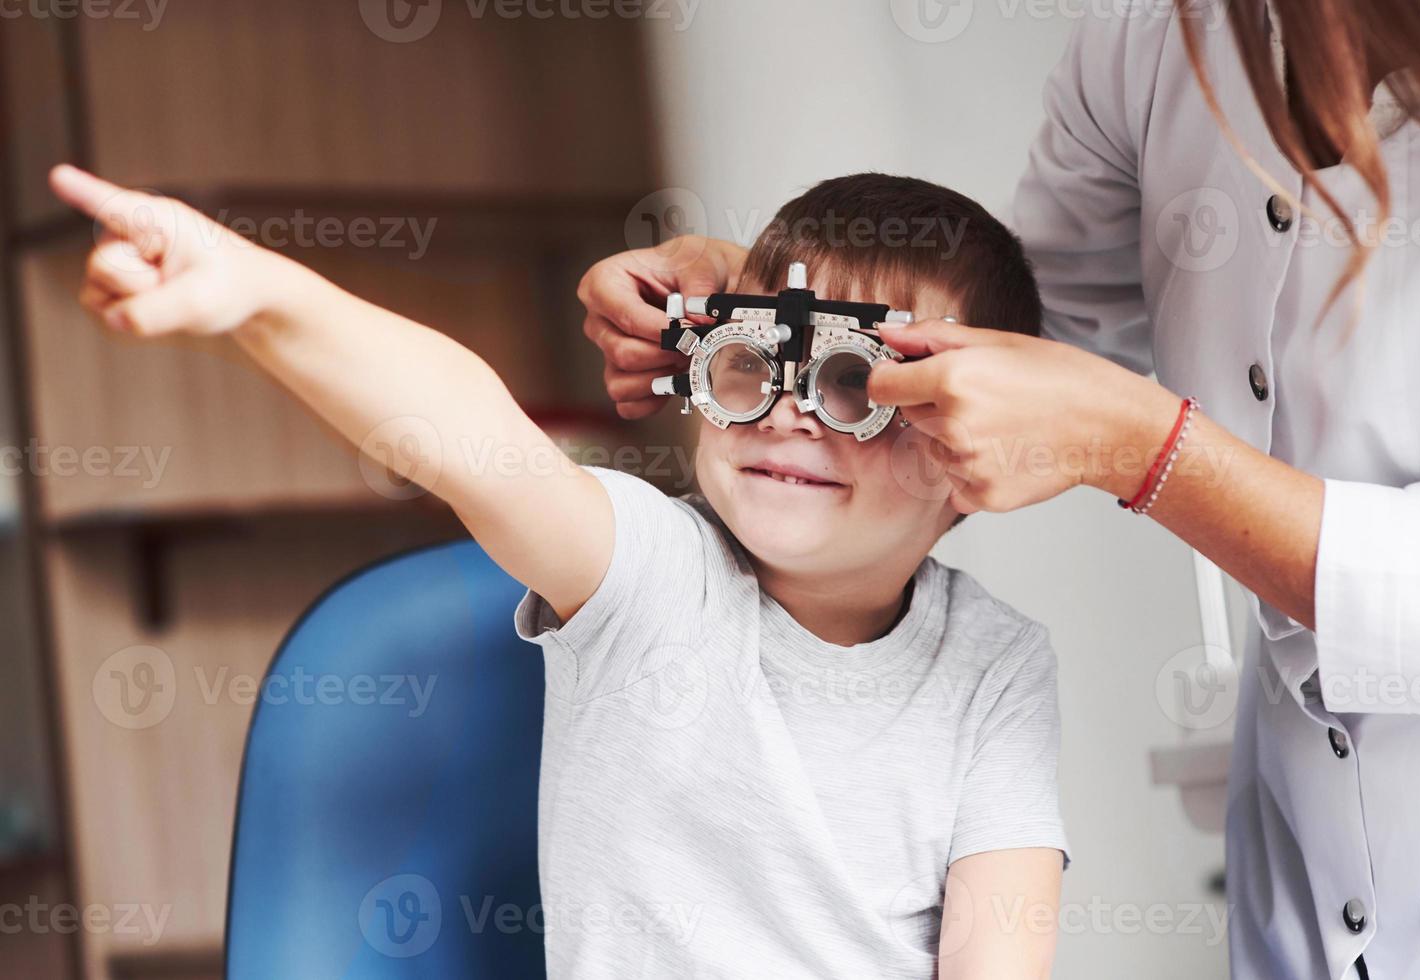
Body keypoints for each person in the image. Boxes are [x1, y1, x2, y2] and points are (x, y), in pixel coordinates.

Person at [580, 2, 1420, 977]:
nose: (793, 417)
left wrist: (1141, 448)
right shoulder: (1151, 37)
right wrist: (775, 302)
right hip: (1303, 873)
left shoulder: (991, 667)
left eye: (832, 391)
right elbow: (1007, 329)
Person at [50, 167, 1070, 978]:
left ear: (972, 458)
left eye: (853, 383)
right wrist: (256, 293)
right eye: (760, 364)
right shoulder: (653, 575)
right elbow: (459, 430)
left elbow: (999, 951)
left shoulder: (996, 662)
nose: (790, 411)